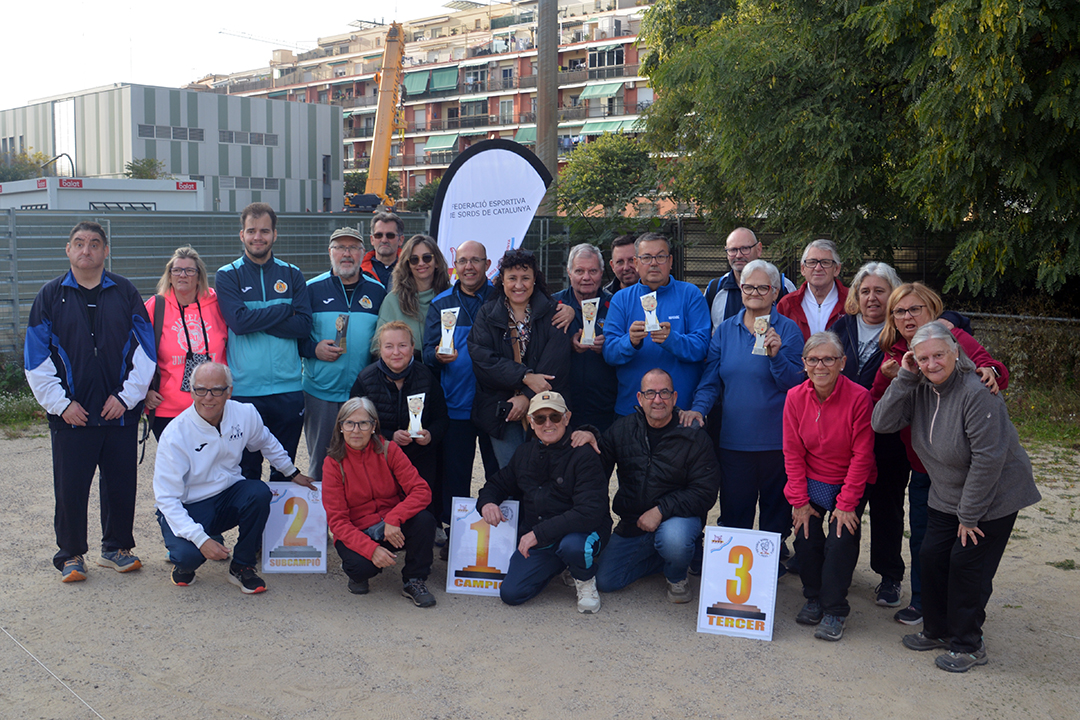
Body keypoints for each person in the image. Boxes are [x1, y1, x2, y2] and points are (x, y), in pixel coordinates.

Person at [872, 322, 1040, 672]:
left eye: (939, 355)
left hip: (993, 497)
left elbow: (988, 459)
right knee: (932, 558)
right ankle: (936, 630)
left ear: (955, 352)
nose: (932, 364)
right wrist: (903, 378)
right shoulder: (918, 386)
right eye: (923, 358)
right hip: (946, 493)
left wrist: (969, 515)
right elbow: (881, 423)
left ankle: (968, 644)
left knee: (967, 568)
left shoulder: (977, 392)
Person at [24, 221, 156, 582]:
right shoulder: (50, 296)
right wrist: (61, 404)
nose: (87, 250)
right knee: (70, 489)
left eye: (95, 244)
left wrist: (126, 398)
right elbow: (35, 359)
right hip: (72, 416)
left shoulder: (126, 292)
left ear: (106, 251)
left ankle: (116, 548)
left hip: (119, 413)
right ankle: (70, 555)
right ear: (68, 250)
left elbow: (146, 351)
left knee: (120, 485)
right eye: (79, 243)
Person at [870, 282, 1008, 625]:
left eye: (915, 309)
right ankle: (923, 602)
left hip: (962, 463)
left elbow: (994, 371)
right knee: (925, 538)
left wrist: (991, 371)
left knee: (964, 546)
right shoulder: (895, 351)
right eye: (899, 311)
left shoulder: (953, 338)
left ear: (932, 309)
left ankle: (961, 616)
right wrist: (893, 378)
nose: (908, 317)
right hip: (923, 462)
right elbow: (879, 407)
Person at [683, 260, 804, 570]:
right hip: (735, 441)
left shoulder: (789, 331)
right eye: (749, 287)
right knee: (735, 511)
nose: (755, 293)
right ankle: (734, 577)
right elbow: (711, 380)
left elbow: (796, 385)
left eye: (763, 287)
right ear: (741, 288)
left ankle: (769, 570)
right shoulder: (725, 330)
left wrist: (776, 357)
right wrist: (699, 409)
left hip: (778, 442)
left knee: (776, 514)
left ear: (775, 292)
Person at [153, 363, 316, 593]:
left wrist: (292, 472)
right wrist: (201, 540)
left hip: (226, 496)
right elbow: (167, 499)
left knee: (259, 492)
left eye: (216, 390)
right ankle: (184, 561)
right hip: (190, 505)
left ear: (229, 391)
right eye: (201, 390)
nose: (208, 397)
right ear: (192, 391)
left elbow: (266, 442)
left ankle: (242, 565)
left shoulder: (244, 413)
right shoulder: (175, 434)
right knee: (188, 557)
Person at [573, 369, 719, 603]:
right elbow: (597, 464)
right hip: (635, 523)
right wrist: (590, 435)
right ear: (640, 398)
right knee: (607, 581)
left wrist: (660, 510)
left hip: (677, 519)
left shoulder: (694, 436)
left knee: (674, 540)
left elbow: (705, 492)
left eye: (664, 393)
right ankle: (665, 558)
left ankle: (676, 575)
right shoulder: (623, 429)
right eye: (650, 393)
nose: (658, 399)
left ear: (674, 397)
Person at [476, 391, 611, 613]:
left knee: (573, 547)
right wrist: (487, 503)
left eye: (555, 417)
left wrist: (538, 534)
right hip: (542, 536)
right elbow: (498, 483)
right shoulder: (524, 452)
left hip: (581, 531)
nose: (548, 424)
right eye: (540, 418)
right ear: (530, 422)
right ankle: (560, 564)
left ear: (567, 418)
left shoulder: (584, 454)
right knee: (512, 593)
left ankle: (585, 579)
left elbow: (589, 512)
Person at [783, 332, 877, 641]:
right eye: (813, 359)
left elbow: (862, 455)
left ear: (842, 362)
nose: (820, 366)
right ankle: (813, 597)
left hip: (849, 479)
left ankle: (835, 608)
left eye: (828, 359)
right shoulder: (794, 397)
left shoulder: (860, 397)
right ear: (804, 363)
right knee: (805, 534)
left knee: (840, 539)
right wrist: (799, 501)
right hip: (812, 478)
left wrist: (847, 504)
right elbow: (792, 452)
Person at [828, 262, 909, 609]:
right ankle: (839, 575)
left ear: (893, 295)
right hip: (845, 438)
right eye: (865, 291)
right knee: (846, 507)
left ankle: (889, 576)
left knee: (888, 509)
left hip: (889, 438)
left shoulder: (901, 332)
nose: (872, 298)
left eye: (880, 291)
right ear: (855, 296)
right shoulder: (841, 327)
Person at [216, 203, 312, 482]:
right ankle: (253, 515)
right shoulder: (228, 275)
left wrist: (255, 318)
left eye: (264, 231)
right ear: (242, 234)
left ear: (275, 234)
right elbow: (239, 323)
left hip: (288, 389)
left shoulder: (292, 274)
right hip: (245, 392)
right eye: (251, 231)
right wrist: (284, 309)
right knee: (247, 473)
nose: (258, 237)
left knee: (284, 470)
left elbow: (303, 326)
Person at [322, 397, 438, 607]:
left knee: (425, 520)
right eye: (349, 423)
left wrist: (394, 517)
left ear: (373, 426)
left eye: (363, 423)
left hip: (391, 526)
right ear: (340, 427)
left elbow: (421, 491)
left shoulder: (389, 450)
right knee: (361, 568)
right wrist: (370, 549)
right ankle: (359, 570)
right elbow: (338, 522)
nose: (356, 430)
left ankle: (414, 579)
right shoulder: (333, 463)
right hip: (358, 530)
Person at [422, 240, 500, 542]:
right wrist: (436, 356)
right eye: (463, 261)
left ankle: (499, 537)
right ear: (455, 266)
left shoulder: (502, 298)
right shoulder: (441, 303)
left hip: (495, 405)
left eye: (475, 260)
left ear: (487, 264)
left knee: (498, 473)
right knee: (455, 477)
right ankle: (456, 538)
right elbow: (427, 352)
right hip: (456, 405)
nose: (469, 267)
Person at [469, 248, 572, 467]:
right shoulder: (487, 314)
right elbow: (483, 359)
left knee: (545, 473)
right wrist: (524, 376)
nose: (519, 285)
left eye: (525, 278)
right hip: (502, 411)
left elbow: (556, 362)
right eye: (512, 278)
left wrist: (526, 397)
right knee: (511, 473)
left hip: (545, 411)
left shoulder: (554, 313)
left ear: (535, 279)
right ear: (501, 280)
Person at [299, 227, 386, 481]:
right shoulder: (310, 289)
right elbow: (295, 338)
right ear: (330, 252)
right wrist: (314, 349)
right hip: (320, 393)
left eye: (353, 248)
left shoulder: (378, 292)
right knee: (322, 464)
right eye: (340, 248)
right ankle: (322, 508)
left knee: (361, 467)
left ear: (362, 252)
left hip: (362, 394)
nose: (346, 254)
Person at [352, 321, 448, 528]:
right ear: (380, 349)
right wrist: (389, 436)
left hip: (419, 457)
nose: (396, 352)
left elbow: (441, 418)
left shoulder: (426, 376)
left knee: (421, 512)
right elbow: (355, 426)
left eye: (402, 345)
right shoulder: (365, 379)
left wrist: (430, 435)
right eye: (389, 346)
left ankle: (428, 529)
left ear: (413, 347)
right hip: (379, 456)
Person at [603, 232, 711, 416]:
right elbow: (609, 353)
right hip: (631, 411)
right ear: (636, 263)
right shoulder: (621, 299)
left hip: (681, 411)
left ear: (670, 261)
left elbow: (701, 347)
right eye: (646, 258)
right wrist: (630, 342)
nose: (654, 263)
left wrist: (671, 339)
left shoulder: (690, 294)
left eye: (660, 257)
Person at [143, 246, 229, 440]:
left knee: (214, 458)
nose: (183, 275)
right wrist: (145, 391)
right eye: (177, 270)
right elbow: (137, 353)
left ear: (199, 277)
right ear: (169, 276)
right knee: (176, 459)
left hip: (214, 405)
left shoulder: (218, 304)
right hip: (167, 408)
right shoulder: (156, 306)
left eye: (190, 270)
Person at [552, 243, 619, 431]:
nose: (586, 277)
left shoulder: (616, 305)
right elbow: (539, 348)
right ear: (569, 272)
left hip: (606, 408)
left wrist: (608, 346)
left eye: (593, 271)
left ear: (602, 273)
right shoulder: (553, 304)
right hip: (563, 408)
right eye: (579, 271)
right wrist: (568, 344)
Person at [703, 227, 795, 331]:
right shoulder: (715, 289)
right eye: (733, 250)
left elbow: (793, 330)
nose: (738, 255)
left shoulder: (782, 286)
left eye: (745, 249)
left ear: (759, 249)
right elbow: (705, 332)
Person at [376, 234, 451, 351]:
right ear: (408, 265)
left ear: (437, 261)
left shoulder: (452, 296)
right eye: (414, 259)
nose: (421, 263)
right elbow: (378, 347)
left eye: (427, 257)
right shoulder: (393, 300)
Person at [777, 239, 849, 340]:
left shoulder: (852, 300)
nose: (818, 268)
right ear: (803, 269)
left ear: (836, 269)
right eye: (812, 262)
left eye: (825, 262)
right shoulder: (787, 304)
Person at [361, 210, 404, 289]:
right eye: (378, 235)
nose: (384, 240)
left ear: (401, 240)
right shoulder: (358, 271)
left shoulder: (411, 269)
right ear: (372, 239)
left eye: (390, 235)